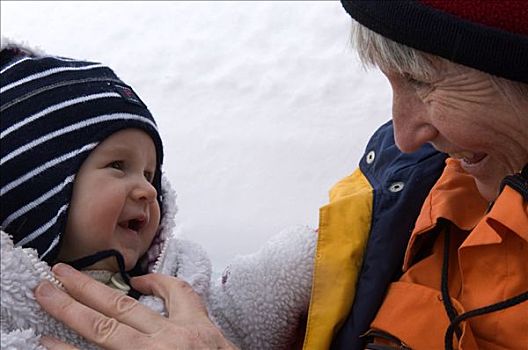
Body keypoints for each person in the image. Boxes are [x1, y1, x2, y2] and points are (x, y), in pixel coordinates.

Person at [31, 1, 528, 349]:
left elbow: (243, 305)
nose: (403, 136)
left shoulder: (182, 276)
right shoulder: (401, 193)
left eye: (424, 81)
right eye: (394, 83)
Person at [0, 39, 315, 350]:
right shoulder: (9, 317)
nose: (148, 189)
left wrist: (299, 259)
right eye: (118, 165)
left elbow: (234, 318)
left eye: (150, 174)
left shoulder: (178, 280)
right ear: (33, 189)